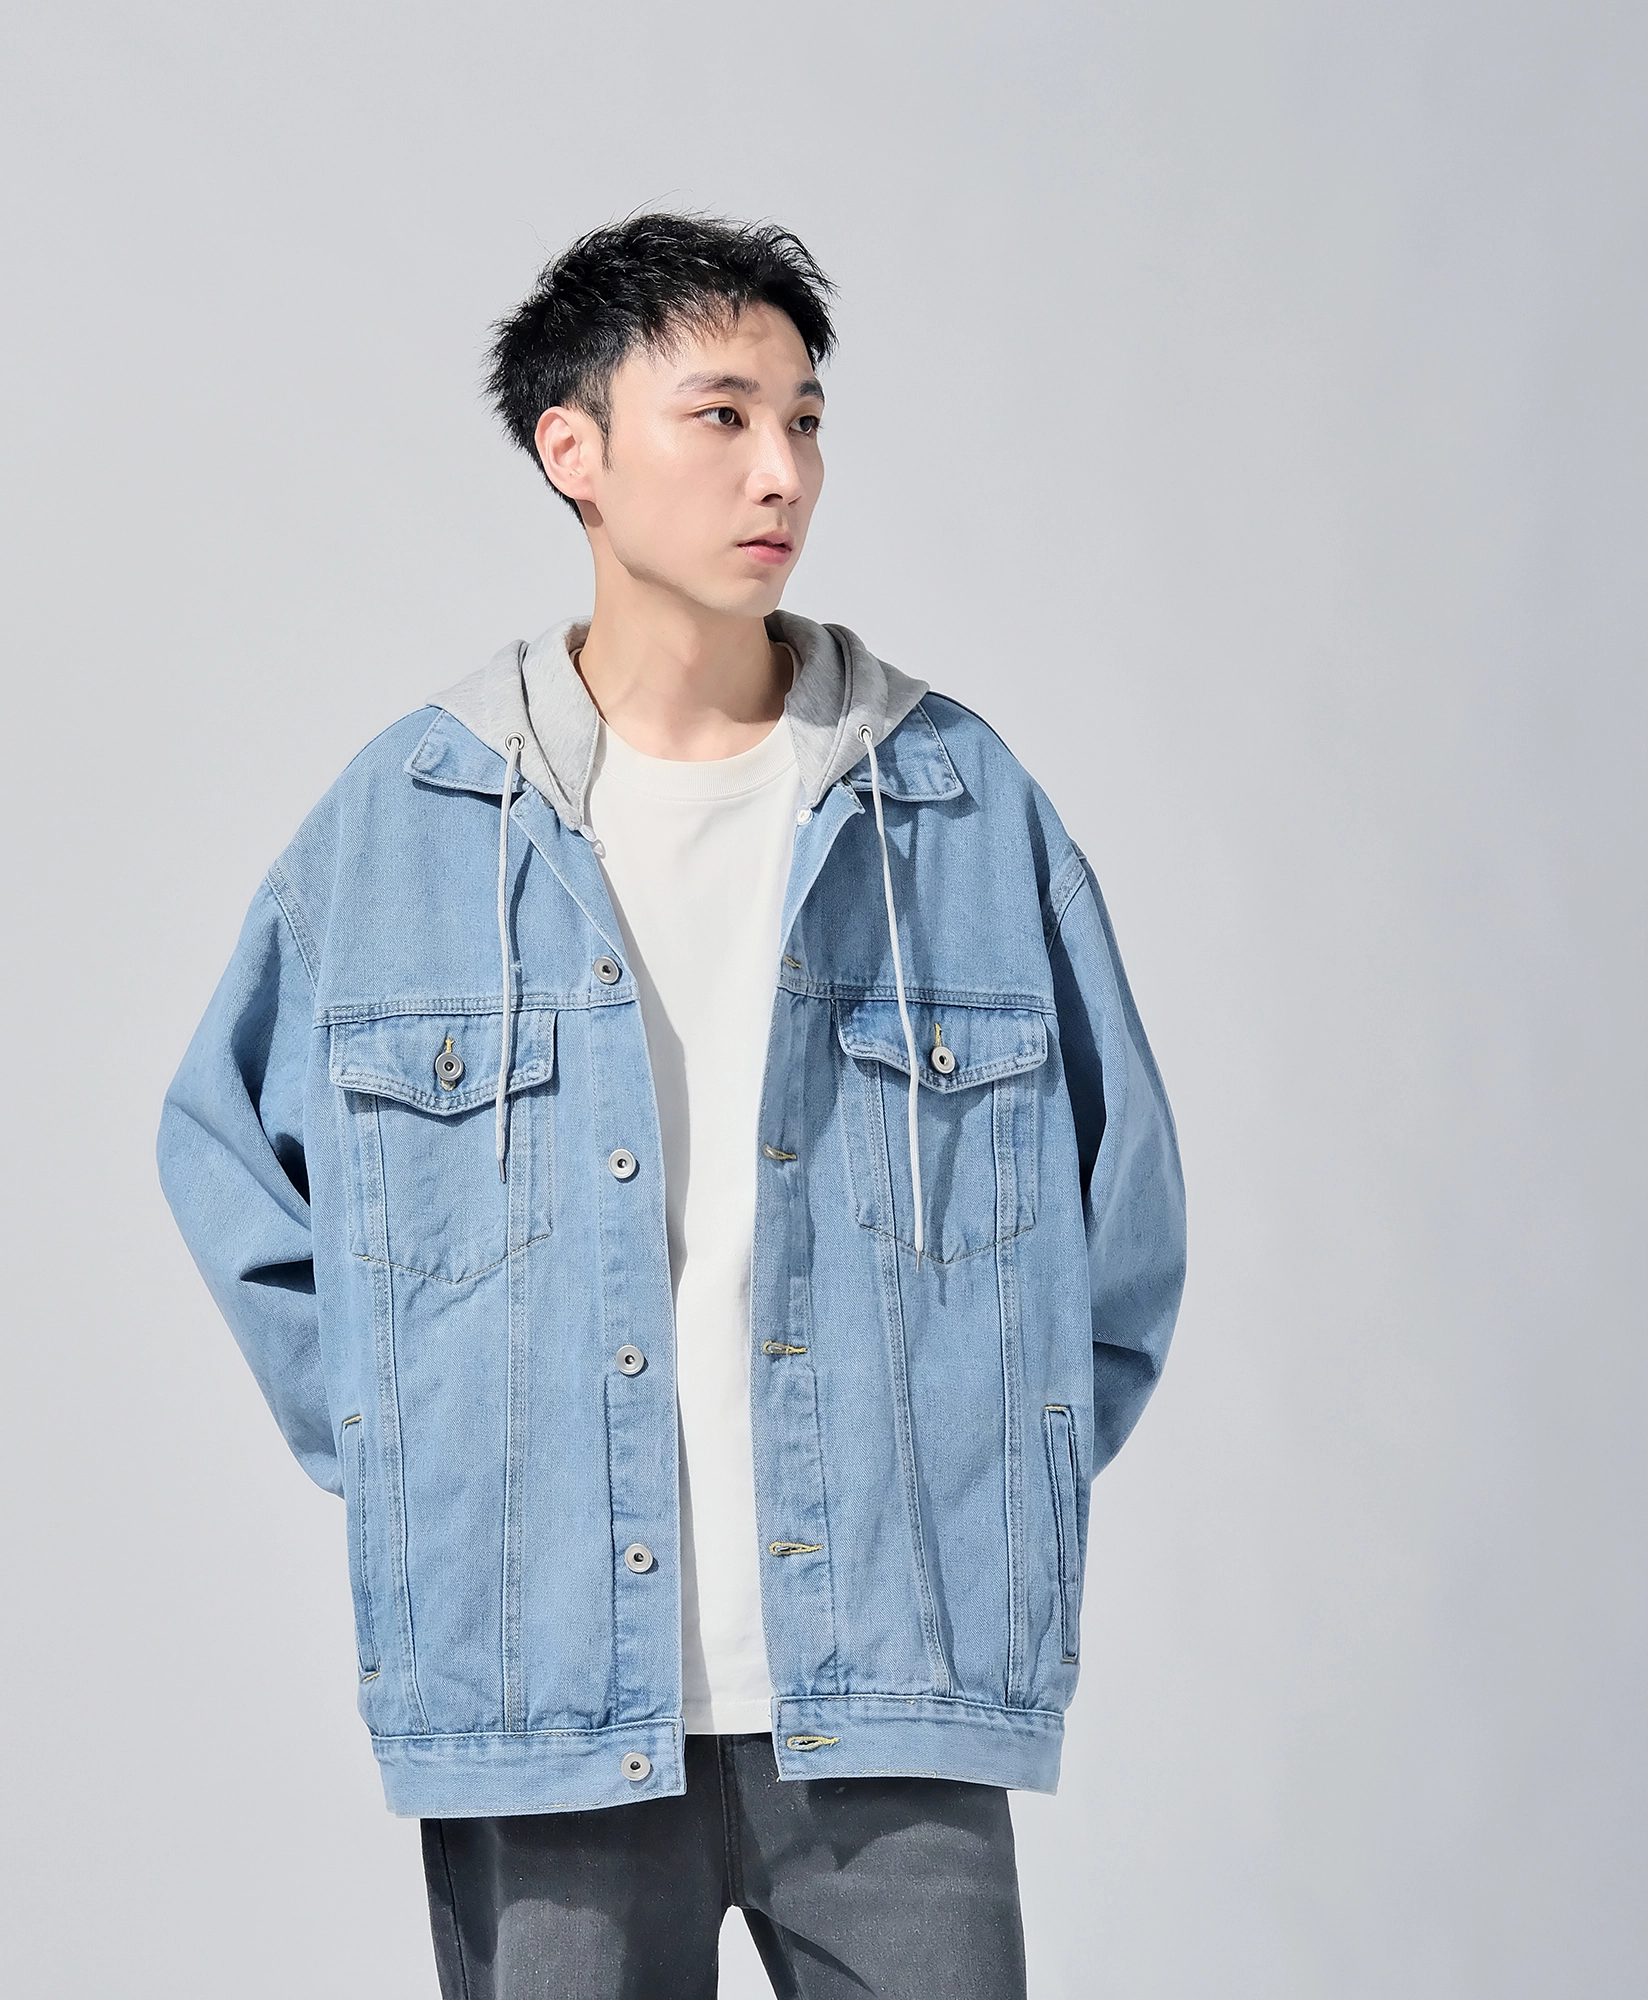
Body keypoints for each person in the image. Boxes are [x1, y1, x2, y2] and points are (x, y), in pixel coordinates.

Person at [156, 212, 1185, 2000]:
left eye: (805, 420)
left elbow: (1124, 1217)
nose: (781, 470)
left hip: (897, 1691)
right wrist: (415, 1453)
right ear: (575, 450)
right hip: (541, 1693)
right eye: (722, 416)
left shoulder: (953, 804)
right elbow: (222, 1151)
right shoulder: (411, 820)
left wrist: (982, 1475)